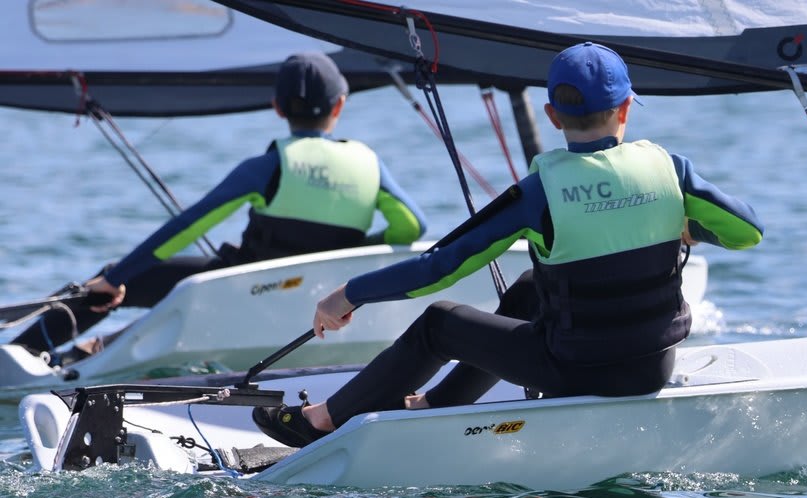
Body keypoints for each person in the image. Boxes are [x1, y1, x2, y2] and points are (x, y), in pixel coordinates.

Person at [252, 41, 764, 448]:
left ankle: (323, 420)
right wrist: (690, 228)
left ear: (553, 115)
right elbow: (748, 231)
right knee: (528, 287)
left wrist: (349, 294)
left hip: (575, 371)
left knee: (438, 323)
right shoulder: (670, 170)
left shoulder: (540, 193)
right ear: (627, 107)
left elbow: (438, 269)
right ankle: (433, 406)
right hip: (651, 366)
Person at [11, 52, 428, 363]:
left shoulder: (268, 166)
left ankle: (22, 354)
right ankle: (95, 347)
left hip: (240, 293)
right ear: (340, 105)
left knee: (111, 282)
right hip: (324, 301)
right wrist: (347, 253)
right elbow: (411, 226)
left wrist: (117, 277)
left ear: (277, 107)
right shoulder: (369, 165)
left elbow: (187, 228)